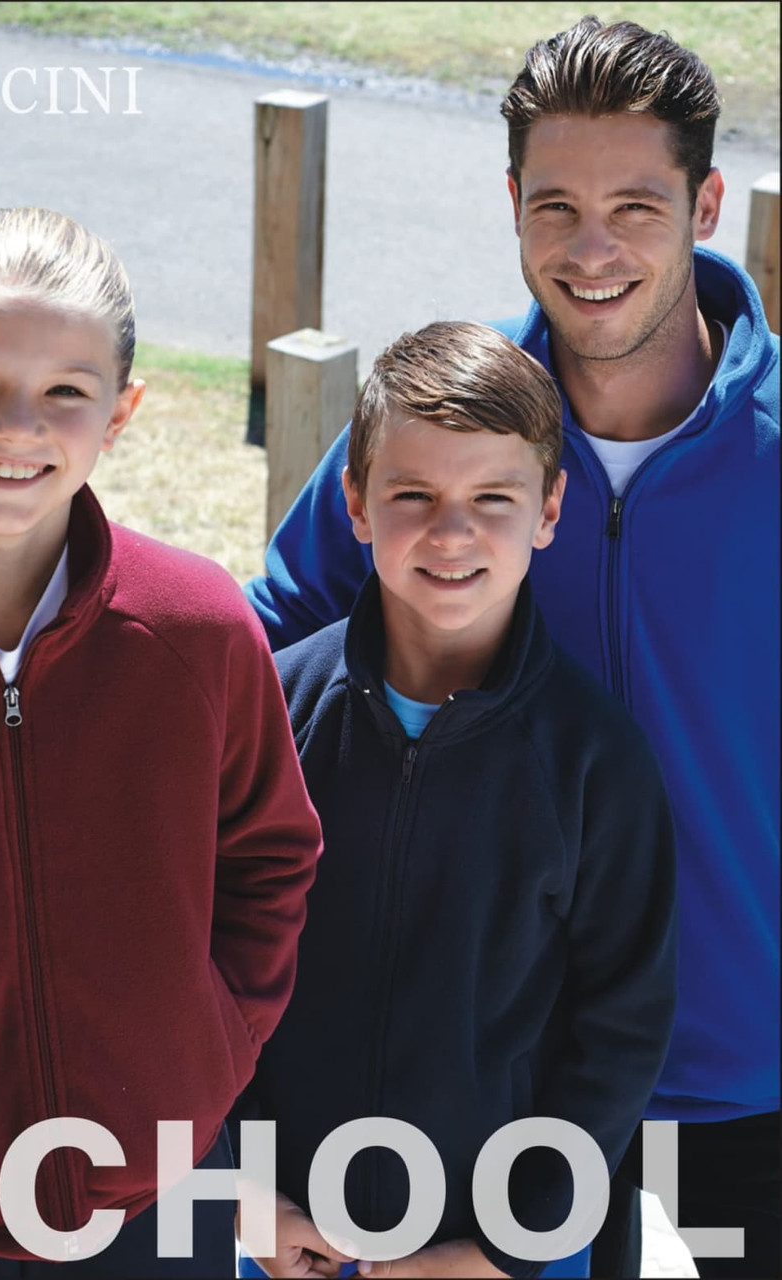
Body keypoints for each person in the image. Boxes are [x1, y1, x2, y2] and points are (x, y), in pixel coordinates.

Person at [244, 17, 780, 1280]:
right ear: (512, 204)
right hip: (499, 1090)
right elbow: (257, 681)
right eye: (556, 206)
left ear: (705, 203)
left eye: (636, 205)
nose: (592, 251)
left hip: (750, 1079)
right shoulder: (451, 436)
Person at [0, 206, 322, 1279]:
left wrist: (209, 1051)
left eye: (65, 392)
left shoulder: (200, 628)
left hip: (159, 1196)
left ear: (121, 411)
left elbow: (272, 852)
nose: (17, 426)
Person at [236, 320, 677, 1280]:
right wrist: (233, 1185)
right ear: (352, 501)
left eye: (493, 497)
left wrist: (503, 1251)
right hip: (279, 1238)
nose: (452, 532)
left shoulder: (598, 760)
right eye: (413, 495)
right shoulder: (267, 715)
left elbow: (623, 1028)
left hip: (493, 1249)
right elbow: (190, 960)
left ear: (550, 508)